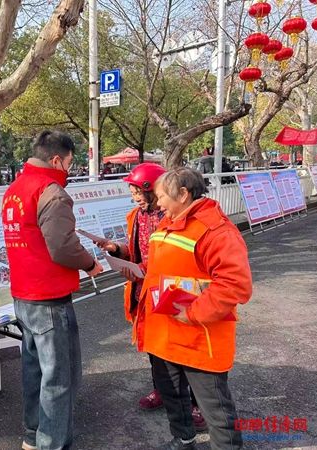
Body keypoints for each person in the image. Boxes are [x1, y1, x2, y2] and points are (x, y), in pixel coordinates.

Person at [135, 167, 251, 450]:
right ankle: (183, 439)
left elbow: (235, 285)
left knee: (216, 409)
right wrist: (137, 268)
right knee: (173, 396)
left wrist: (192, 313)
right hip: (165, 335)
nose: (158, 202)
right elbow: (162, 264)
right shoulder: (169, 221)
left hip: (198, 338)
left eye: (162, 196)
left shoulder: (216, 230)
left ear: (183, 194)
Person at [2, 130, 103, 450]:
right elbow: (62, 247)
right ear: (57, 159)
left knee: (34, 370)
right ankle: (52, 443)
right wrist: (90, 264)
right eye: (70, 163)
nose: (69, 170)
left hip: (23, 294)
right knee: (59, 377)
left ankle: (33, 435)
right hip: (49, 296)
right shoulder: (51, 191)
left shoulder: (15, 189)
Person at [96, 163, 206, 431]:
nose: (135, 198)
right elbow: (136, 249)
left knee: (182, 349)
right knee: (154, 346)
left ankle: (195, 403)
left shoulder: (174, 217)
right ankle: (162, 390)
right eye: (132, 193)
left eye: (138, 192)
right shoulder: (136, 216)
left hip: (171, 290)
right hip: (144, 290)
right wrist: (116, 249)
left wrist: (146, 269)